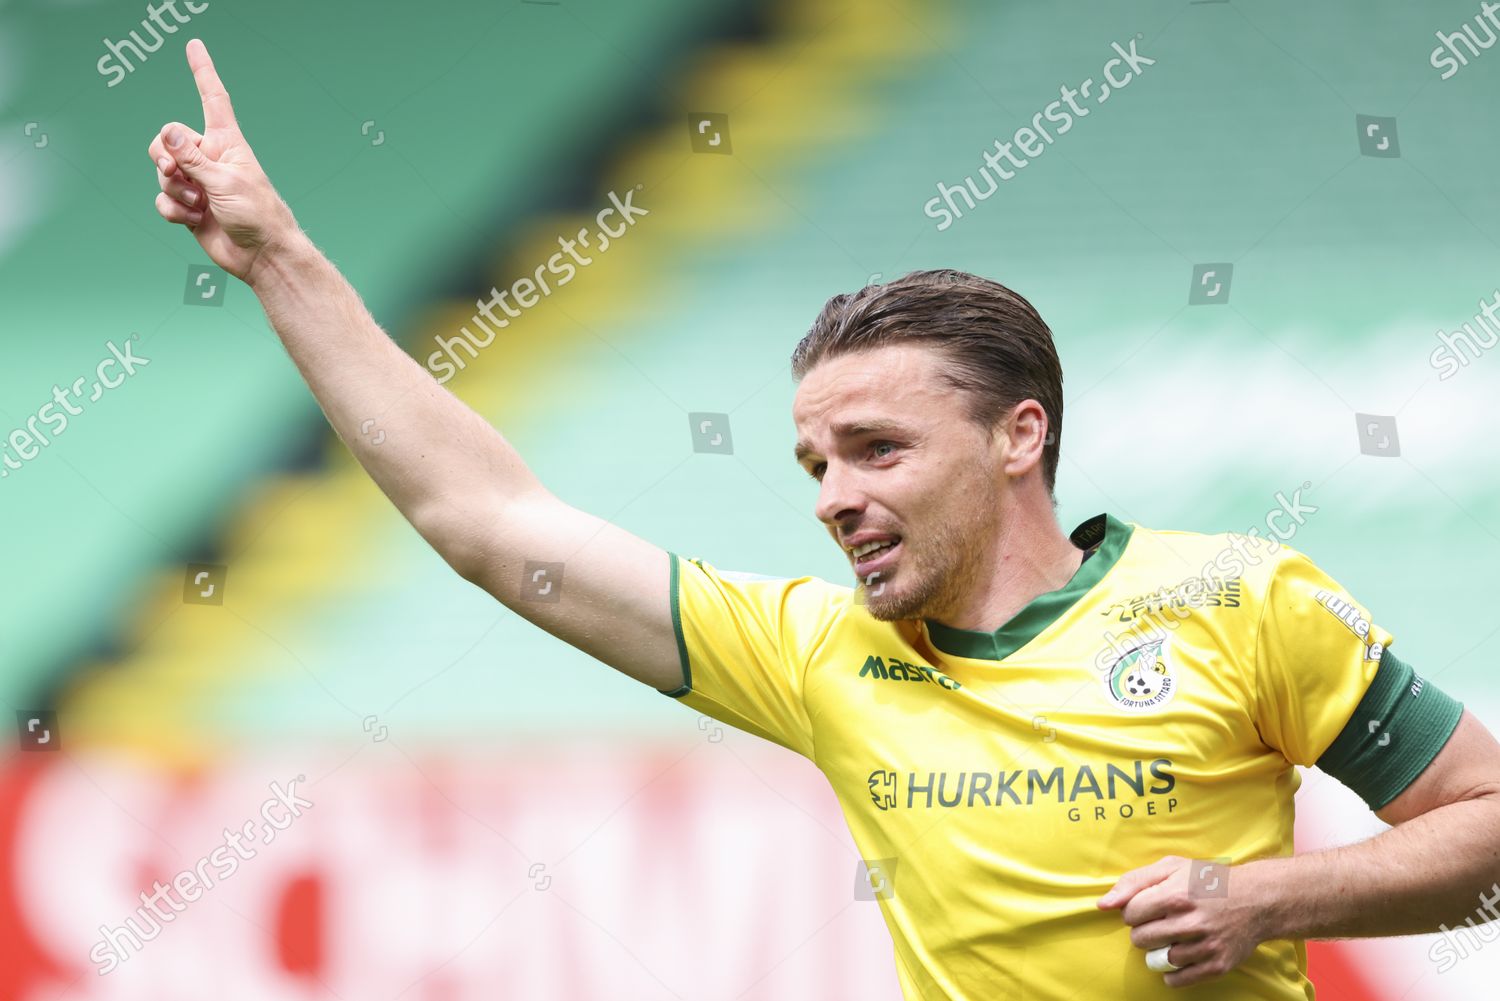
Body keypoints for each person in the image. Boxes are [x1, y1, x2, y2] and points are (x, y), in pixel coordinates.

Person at [148, 37, 1500, 1000]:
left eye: (876, 447)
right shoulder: (815, 649)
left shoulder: (1239, 601)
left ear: (1018, 435)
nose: (835, 494)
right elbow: (485, 515)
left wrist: (1270, 895)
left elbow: (1487, 825)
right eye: (813, 462)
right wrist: (281, 260)